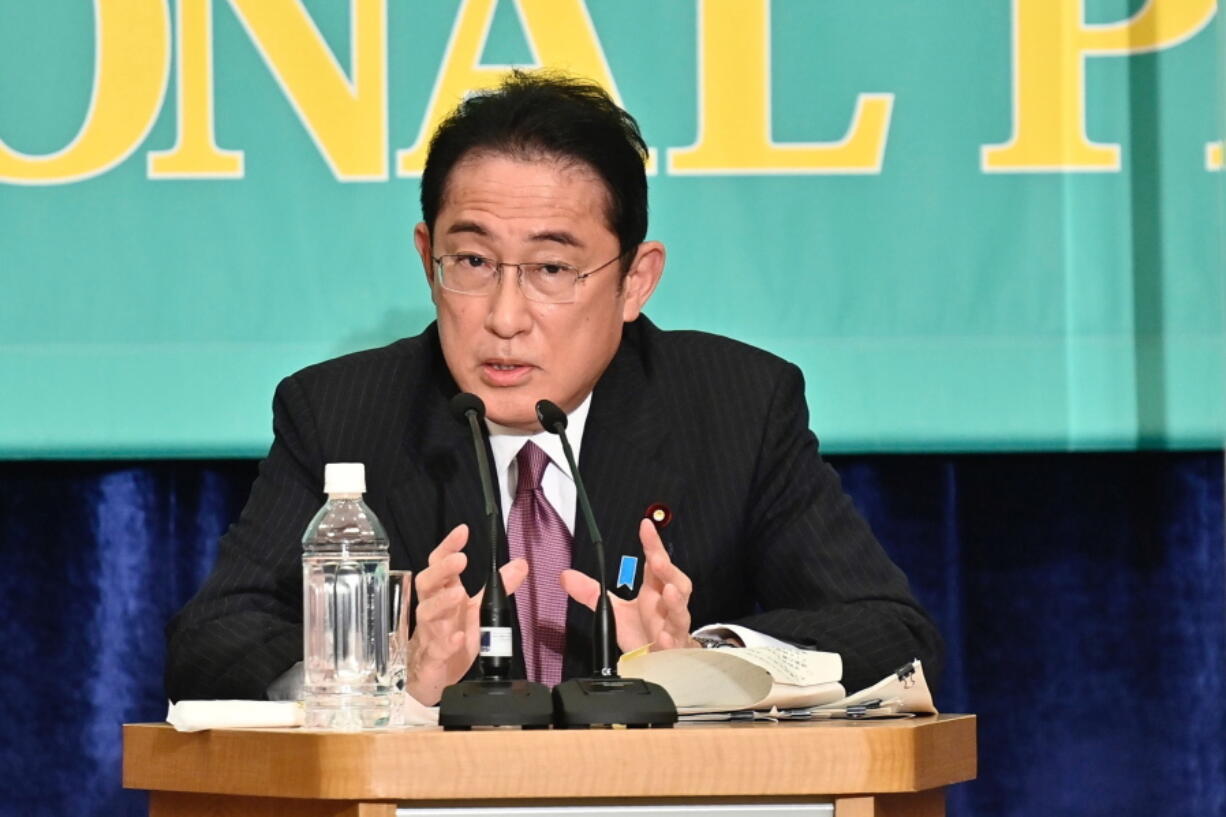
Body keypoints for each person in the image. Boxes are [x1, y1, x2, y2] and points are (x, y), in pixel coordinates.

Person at [165, 70, 942, 705]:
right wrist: (390, 662)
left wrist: (700, 660)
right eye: (471, 263)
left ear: (635, 280)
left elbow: (895, 635)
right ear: (426, 257)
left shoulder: (736, 405)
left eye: (551, 268)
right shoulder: (341, 413)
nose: (505, 317)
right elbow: (212, 641)